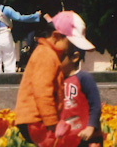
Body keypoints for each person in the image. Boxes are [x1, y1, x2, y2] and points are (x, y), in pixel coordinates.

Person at [15, 11, 88, 140]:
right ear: (56, 37)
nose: (71, 49)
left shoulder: (47, 54)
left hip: (36, 118)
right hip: (36, 119)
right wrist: (52, 124)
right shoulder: (46, 55)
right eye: (70, 44)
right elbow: (43, 91)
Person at [57, 44, 104, 147]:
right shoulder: (57, 81)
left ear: (75, 57)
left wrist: (91, 127)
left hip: (86, 137)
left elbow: (95, 105)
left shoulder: (84, 78)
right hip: (67, 139)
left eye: (59, 57)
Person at [0, 3, 42, 74]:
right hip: (6, 35)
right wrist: (36, 16)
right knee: (9, 61)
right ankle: (10, 82)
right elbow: (19, 18)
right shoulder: (6, 9)